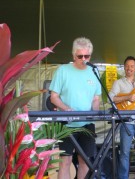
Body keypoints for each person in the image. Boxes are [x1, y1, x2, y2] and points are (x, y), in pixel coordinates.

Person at [49, 37, 101, 179]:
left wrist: (95, 111)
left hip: (87, 124)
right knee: (65, 162)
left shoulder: (94, 72)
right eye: (80, 56)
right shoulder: (63, 70)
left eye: (87, 56)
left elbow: (96, 98)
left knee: (84, 162)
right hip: (66, 123)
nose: (83, 59)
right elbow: (54, 96)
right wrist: (66, 108)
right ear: (73, 55)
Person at [109, 56, 135, 179]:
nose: (129, 68)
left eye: (132, 66)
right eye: (127, 66)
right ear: (124, 67)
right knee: (125, 153)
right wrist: (127, 98)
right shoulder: (119, 83)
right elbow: (111, 98)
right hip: (126, 123)